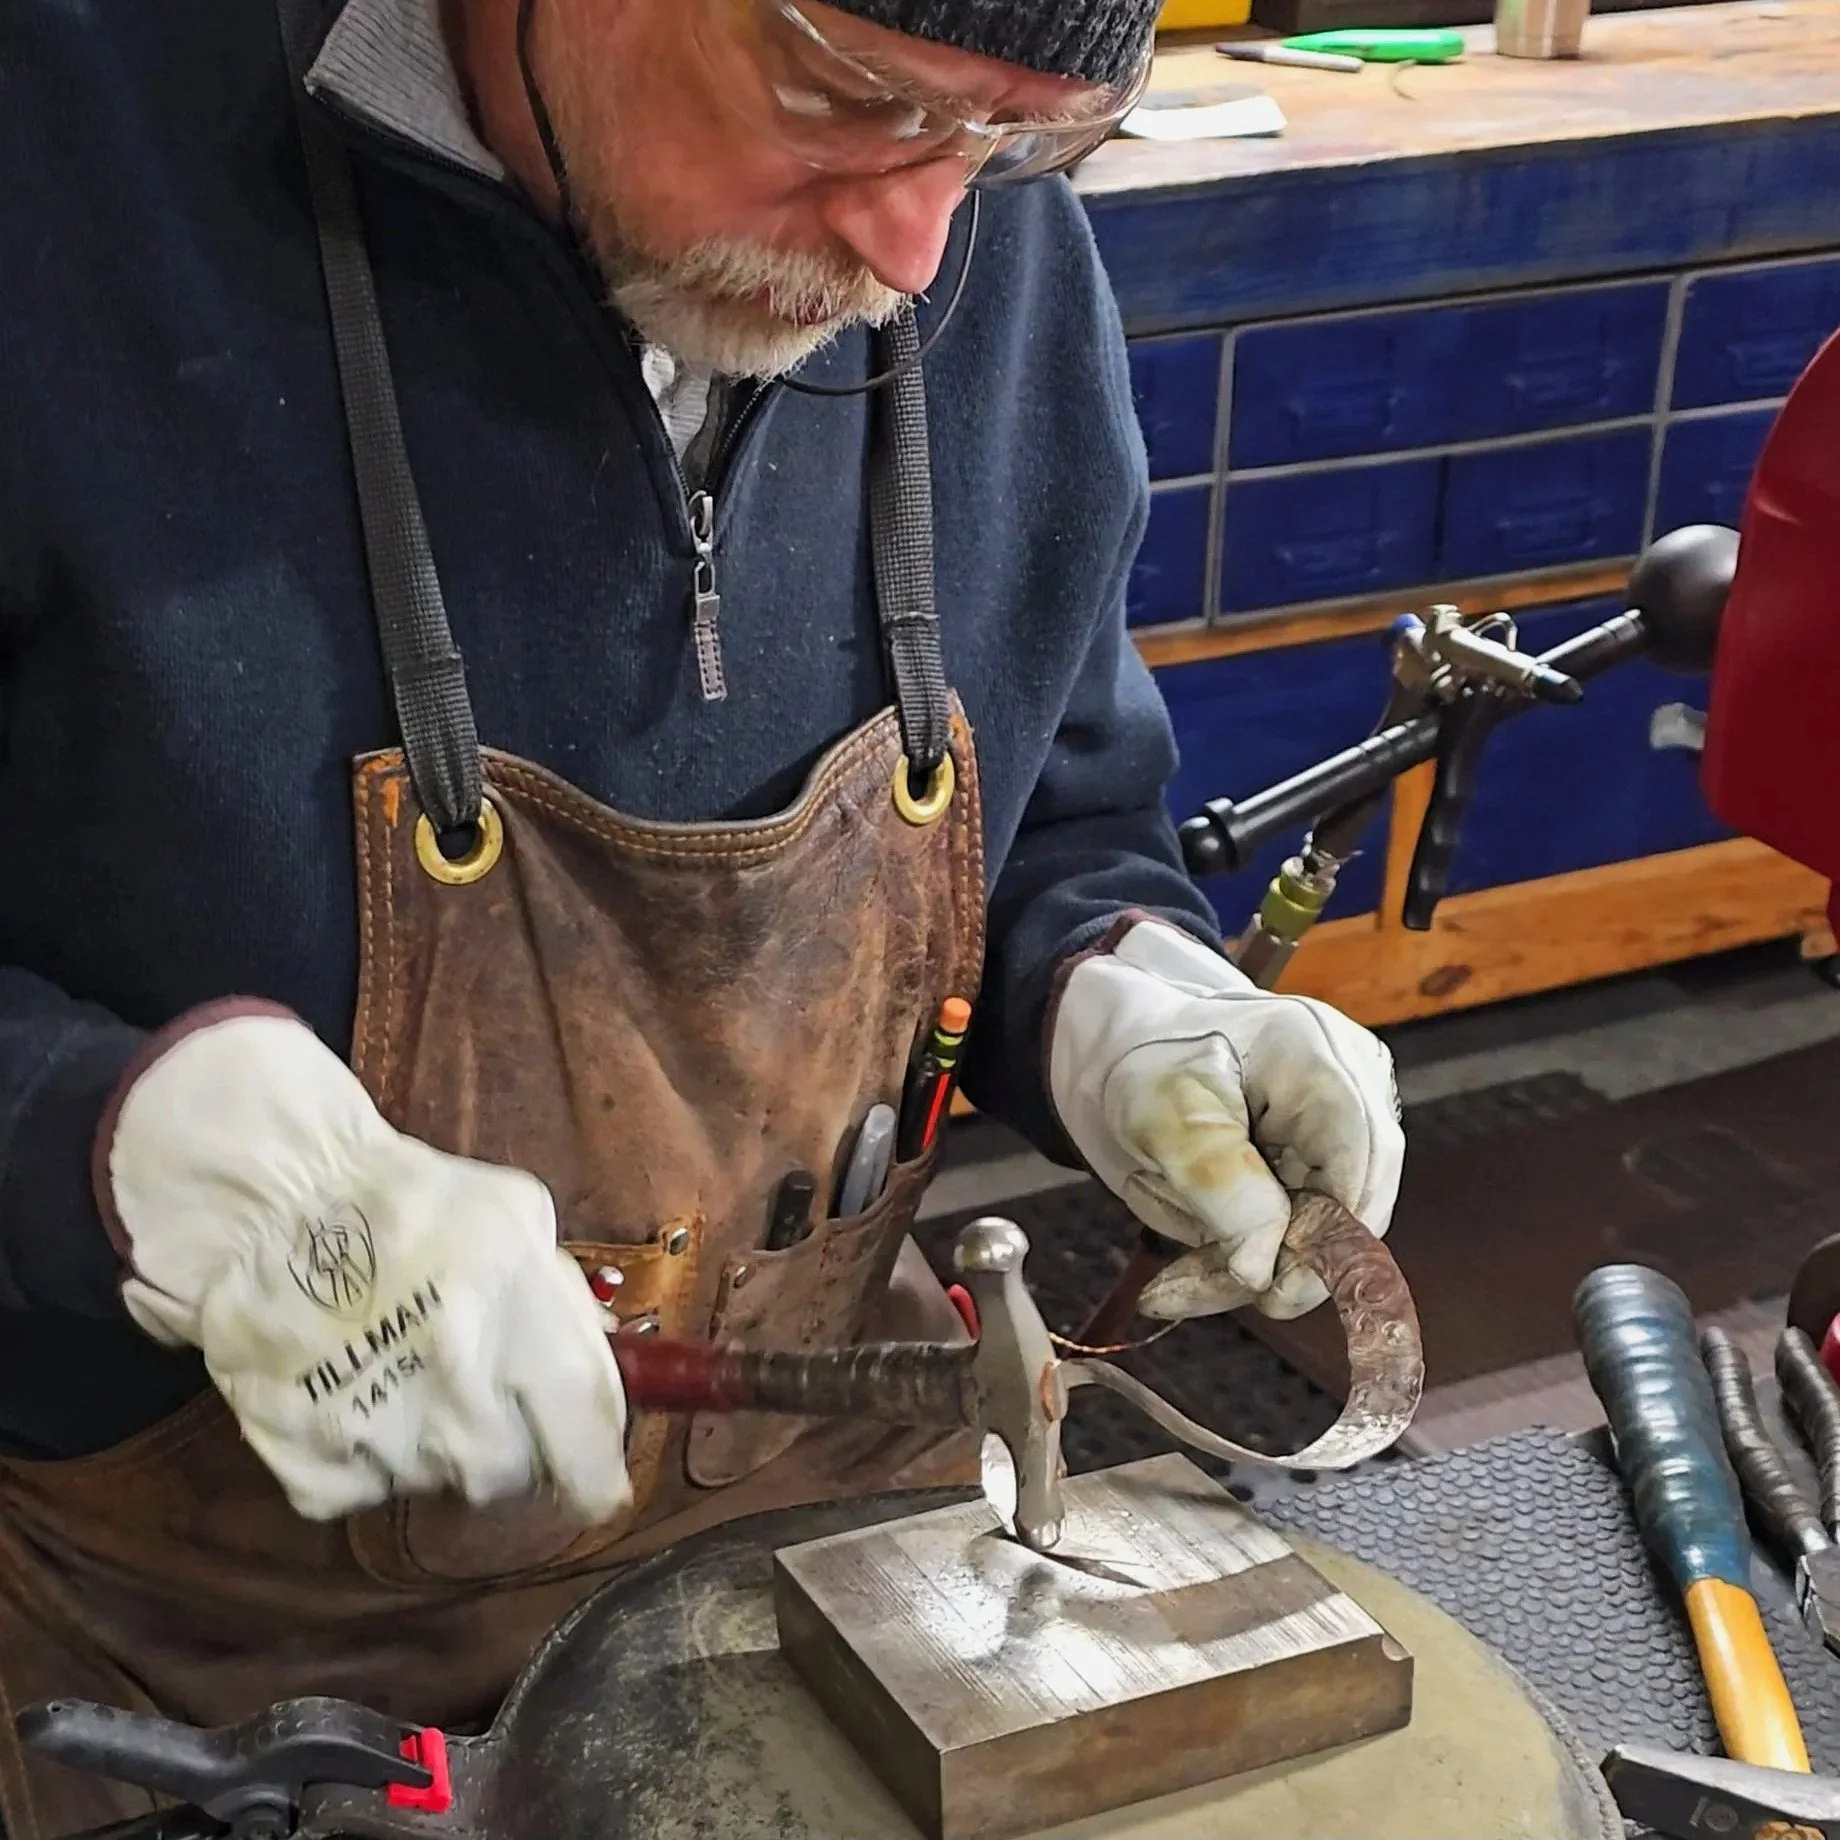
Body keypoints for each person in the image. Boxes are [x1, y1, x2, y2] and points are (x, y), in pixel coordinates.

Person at [0, 0, 1404, 1829]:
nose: (916, 259)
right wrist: (106, 1134)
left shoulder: (982, 247)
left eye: (1012, 139)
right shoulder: (58, 175)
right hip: (214, 1642)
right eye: (848, 94)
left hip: (841, 1543)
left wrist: (1116, 985)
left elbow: (1052, 788)